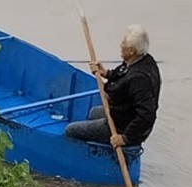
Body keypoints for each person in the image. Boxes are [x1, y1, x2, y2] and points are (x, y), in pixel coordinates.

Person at [64, 25, 161, 155]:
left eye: (123, 43)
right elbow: (123, 75)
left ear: (132, 50)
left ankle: (92, 155)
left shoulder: (139, 79)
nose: (120, 45)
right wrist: (106, 73)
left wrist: (125, 138)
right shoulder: (141, 60)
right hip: (122, 112)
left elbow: (146, 115)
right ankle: (100, 137)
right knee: (93, 112)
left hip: (123, 127)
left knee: (70, 130)